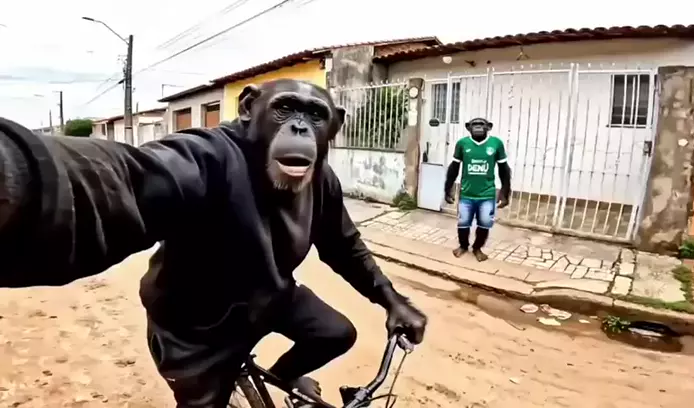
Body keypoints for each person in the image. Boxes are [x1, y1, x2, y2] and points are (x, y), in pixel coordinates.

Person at [0, 79, 427, 408]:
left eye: (314, 116)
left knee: (336, 334)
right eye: (285, 110)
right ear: (249, 109)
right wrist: (20, 178)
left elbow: (343, 243)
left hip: (268, 295)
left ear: (334, 126)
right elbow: (128, 179)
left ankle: (283, 377)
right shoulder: (210, 157)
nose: (299, 127)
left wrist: (392, 300)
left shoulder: (321, 179)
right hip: (196, 327)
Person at [444, 117, 511, 262]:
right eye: (475, 124)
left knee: (484, 224)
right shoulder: (462, 144)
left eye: (481, 124)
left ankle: (477, 248)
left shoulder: (496, 143)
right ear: (468, 127)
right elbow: (454, 168)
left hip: (487, 194)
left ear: (489, 127)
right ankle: (463, 246)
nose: (478, 127)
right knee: (463, 223)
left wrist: (505, 193)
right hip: (466, 193)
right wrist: (447, 189)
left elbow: (504, 170)